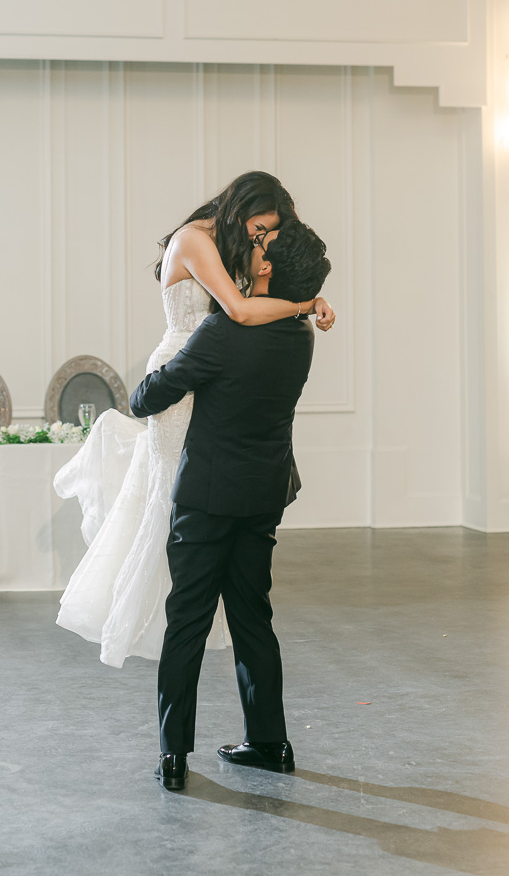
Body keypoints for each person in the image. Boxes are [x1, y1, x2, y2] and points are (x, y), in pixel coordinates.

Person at [54, 172, 335, 668]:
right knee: (175, 496)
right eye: (259, 229)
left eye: (267, 235)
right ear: (239, 208)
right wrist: (305, 304)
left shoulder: (229, 243)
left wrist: (303, 301)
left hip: (214, 367)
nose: (260, 241)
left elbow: (250, 307)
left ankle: (189, 610)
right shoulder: (195, 240)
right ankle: (169, 614)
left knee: (195, 496)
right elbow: (241, 311)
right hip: (183, 370)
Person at [129, 218, 331, 791]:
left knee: (186, 622)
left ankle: (174, 756)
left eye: (261, 245)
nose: (252, 246)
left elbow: (148, 399)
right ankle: (271, 742)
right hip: (264, 494)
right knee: (252, 617)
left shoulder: (222, 333)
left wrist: (161, 370)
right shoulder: (300, 335)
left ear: (265, 269)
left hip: (207, 499)